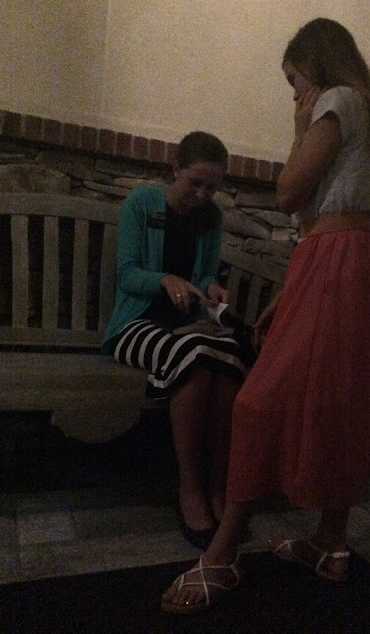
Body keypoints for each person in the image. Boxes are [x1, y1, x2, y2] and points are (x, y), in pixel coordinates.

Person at [161, 18, 370, 613]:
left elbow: (290, 194)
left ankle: (223, 555)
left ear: (316, 62)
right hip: (344, 260)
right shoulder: (364, 107)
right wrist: (291, 292)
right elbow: (324, 219)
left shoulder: (337, 100)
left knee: (258, 400)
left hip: (335, 259)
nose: (296, 95)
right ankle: (331, 543)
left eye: (294, 81)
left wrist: (298, 127)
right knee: (340, 401)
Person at [102, 131, 247, 550]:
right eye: (194, 183)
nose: (201, 195)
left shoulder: (211, 217)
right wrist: (165, 279)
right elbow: (127, 273)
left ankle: (218, 486)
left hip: (186, 327)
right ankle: (189, 487)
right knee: (196, 355)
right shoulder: (142, 203)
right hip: (136, 324)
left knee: (229, 355)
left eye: (211, 188)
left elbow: (204, 275)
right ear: (176, 168)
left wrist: (212, 287)